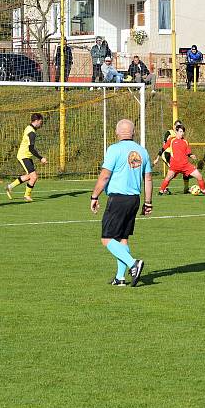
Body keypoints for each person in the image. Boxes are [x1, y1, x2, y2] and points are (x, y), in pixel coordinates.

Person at [90, 119, 152, 287]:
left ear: (117, 133)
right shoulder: (143, 151)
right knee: (122, 239)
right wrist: (148, 203)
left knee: (107, 239)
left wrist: (94, 196)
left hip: (118, 199)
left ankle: (133, 263)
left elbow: (105, 176)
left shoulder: (114, 149)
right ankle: (120, 278)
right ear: (134, 132)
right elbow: (147, 178)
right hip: (134, 200)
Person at [6, 113, 48, 202]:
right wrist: (41, 158)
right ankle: (27, 195)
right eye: (41, 122)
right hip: (24, 156)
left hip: (26, 155)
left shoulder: (29, 128)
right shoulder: (31, 132)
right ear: (36, 121)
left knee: (29, 176)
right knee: (34, 177)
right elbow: (31, 149)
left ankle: (10, 187)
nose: (41, 123)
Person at [158, 125, 205, 195]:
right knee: (168, 178)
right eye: (180, 131)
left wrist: (191, 155)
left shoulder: (185, 141)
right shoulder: (171, 140)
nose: (182, 133)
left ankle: (204, 191)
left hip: (185, 165)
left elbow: (188, 152)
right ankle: (161, 192)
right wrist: (157, 158)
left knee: (199, 176)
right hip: (175, 165)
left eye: (183, 132)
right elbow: (163, 148)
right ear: (176, 131)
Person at [154, 119, 190, 193]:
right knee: (172, 173)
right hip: (167, 154)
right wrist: (158, 157)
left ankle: (186, 188)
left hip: (178, 156)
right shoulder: (169, 133)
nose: (179, 127)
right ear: (174, 126)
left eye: (180, 126)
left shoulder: (181, 135)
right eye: (177, 126)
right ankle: (164, 188)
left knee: (185, 170)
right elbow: (164, 145)